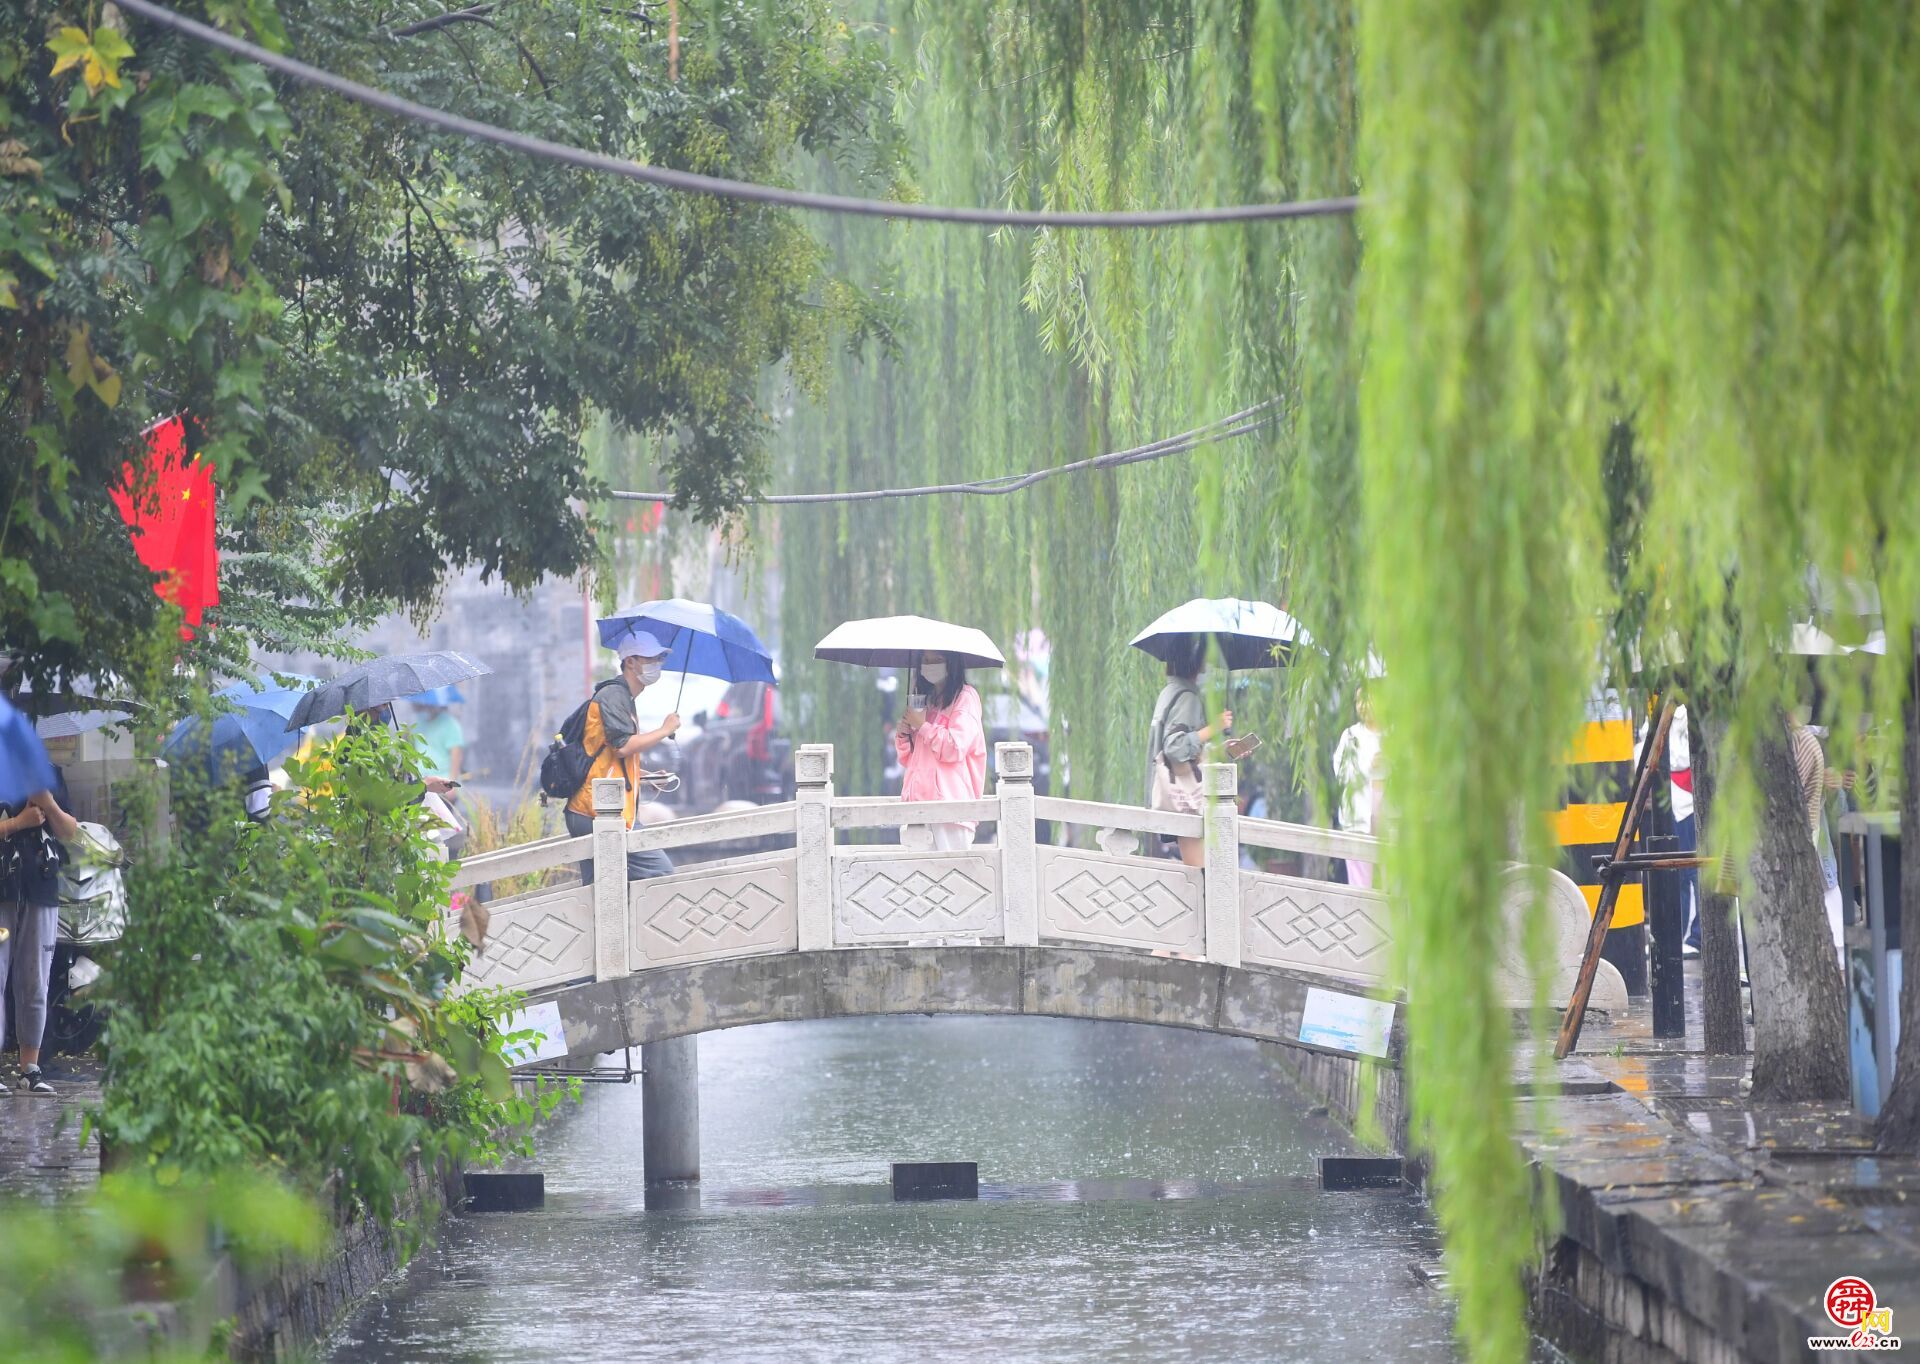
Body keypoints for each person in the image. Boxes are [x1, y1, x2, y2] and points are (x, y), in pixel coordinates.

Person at [565, 633, 681, 882]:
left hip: (604, 809)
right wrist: (664, 730)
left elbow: (608, 759)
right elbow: (623, 747)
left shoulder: (625, 698)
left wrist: (646, 777)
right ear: (630, 661)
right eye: (651, 658)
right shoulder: (613, 696)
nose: (657, 664)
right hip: (596, 811)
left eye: (660, 658)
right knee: (658, 872)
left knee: (600, 887)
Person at [1, 777, 80, 1095]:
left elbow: (71, 832)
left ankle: (29, 1069)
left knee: (36, 980)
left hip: (42, 888)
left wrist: (47, 802)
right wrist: (19, 823)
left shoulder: (48, 774)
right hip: (2, 889)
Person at [1146, 636, 1232, 868]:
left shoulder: (1170, 691)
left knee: (1198, 871)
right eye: (1205, 659)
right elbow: (1174, 746)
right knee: (1201, 874)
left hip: (1172, 792)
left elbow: (1182, 746)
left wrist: (1220, 748)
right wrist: (1215, 728)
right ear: (1194, 661)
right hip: (1186, 798)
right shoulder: (1187, 697)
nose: (1207, 666)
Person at [895, 651, 986, 850]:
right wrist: (905, 734)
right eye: (925, 660)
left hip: (950, 808)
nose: (930, 665)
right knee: (917, 878)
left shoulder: (965, 698)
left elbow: (956, 747)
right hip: (917, 805)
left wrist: (923, 726)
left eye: (937, 660)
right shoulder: (925, 699)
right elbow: (912, 759)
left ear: (951, 663)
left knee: (951, 876)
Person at [1333, 685, 1383, 887]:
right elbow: (1341, 772)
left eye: (1367, 699)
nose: (1362, 706)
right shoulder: (1350, 735)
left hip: (1389, 814)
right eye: (1358, 701)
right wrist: (1368, 767)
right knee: (1360, 881)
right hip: (1358, 815)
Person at [410, 692, 466, 782]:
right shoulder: (419, 722)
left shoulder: (449, 723)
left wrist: (452, 783)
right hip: (423, 781)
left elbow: (456, 753)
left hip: (443, 781)